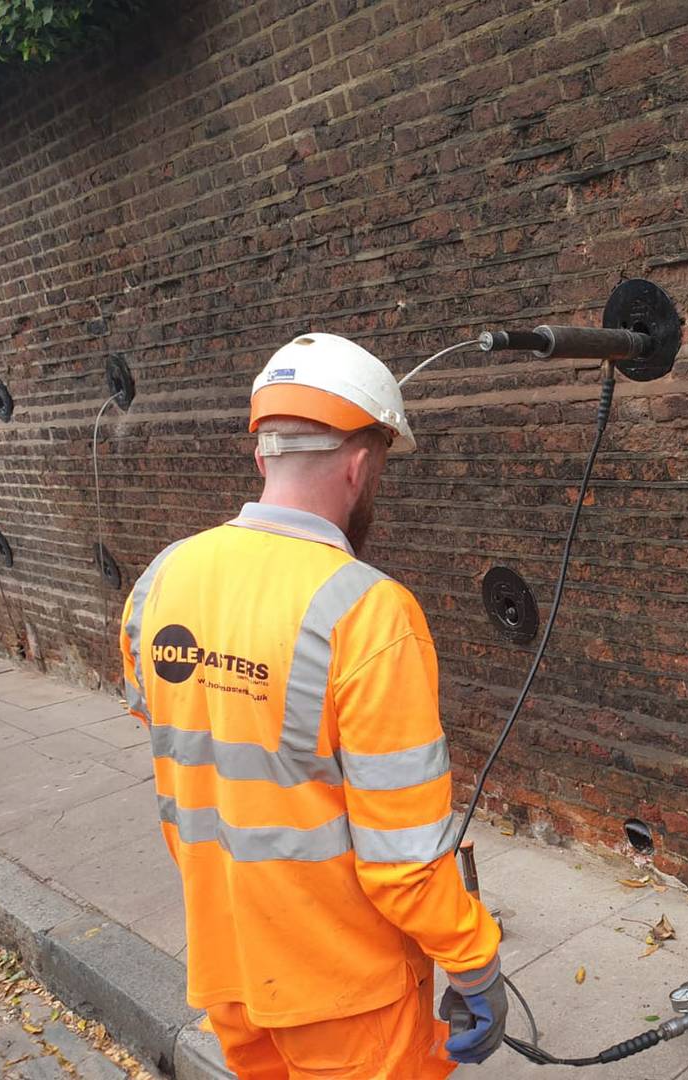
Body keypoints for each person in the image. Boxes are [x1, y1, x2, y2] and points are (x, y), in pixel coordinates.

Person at [119, 332, 506, 1078]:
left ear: (262, 454)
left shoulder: (160, 580)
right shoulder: (368, 612)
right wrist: (474, 960)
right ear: (359, 466)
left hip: (229, 966)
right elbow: (403, 859)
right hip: (345, 993)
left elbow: (186, 746)